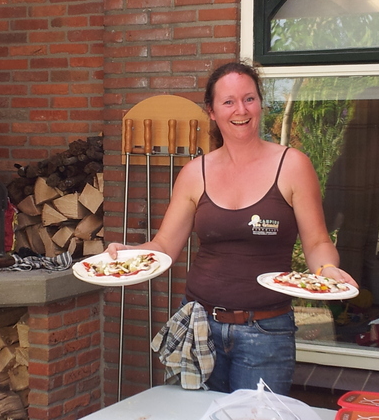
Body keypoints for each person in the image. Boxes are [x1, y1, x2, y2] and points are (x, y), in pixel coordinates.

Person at [107, 61, 357, 395]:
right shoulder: (195, 173)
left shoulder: (293, 165)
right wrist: (129, 253)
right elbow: (165, 246)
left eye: (249, 99)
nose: (241, 110)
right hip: (199, 327)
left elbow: (317, 242)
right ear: (212, 111)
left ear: (260, 103)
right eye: (228, 102)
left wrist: (326, 270)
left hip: (266, 331)